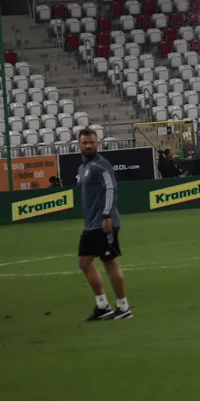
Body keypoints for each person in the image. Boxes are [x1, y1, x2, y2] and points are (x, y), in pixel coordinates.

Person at [76, 129, 132, 321]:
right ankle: (103, 306)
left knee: (109, 262)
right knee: (84, 262)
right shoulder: (83, 168)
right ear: (79, 145)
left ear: (97, 143)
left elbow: (111, 189)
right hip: (91, 225)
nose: (88, 145)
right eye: (85, 143)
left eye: (91, 142)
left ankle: (123, 307)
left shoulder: (102, 165)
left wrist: (107, 215)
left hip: (105, 223)